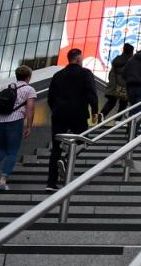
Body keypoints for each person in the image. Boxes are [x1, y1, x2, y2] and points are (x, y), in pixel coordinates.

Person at [46, 48, 99, 191]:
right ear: (78, 59)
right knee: (83, 140)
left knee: (56, 148)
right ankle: (67, 158)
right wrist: (95, 111)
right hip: (78, 113)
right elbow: (91, 93)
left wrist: (55, 109)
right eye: (81, 58)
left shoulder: (58, 75)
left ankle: (51, 183)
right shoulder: (85, 73)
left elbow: (50, 97)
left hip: (58, 114)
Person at [0, 65, 36, 191]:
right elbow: (30, 109)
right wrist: (29, 126)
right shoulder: (29, 89)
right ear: (28, 77)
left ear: (17, 75)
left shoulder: (5, 87)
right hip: (15, 121)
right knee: (12, 152)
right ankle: (2, 181)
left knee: (2, 148)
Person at [100, 43, 133, 119]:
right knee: (123, 104)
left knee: (111, 102)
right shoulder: (130, 62)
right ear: (131, 52)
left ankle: (102, 114)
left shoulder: (116, 60)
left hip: (114, 85)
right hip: (123, 86)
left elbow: (111, 73)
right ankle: (118, 120)